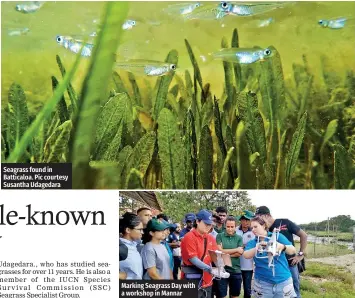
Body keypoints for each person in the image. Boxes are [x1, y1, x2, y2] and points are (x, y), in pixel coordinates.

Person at [255, 206, 308, 298]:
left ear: (267, 215)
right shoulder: (263, 229)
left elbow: (304, 235)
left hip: (290, 261)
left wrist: (300, 255)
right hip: (276, 265)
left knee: (294, 289)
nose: (258, 219)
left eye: (259, 216)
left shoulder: (284, 222)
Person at [244, 216, 297, 298]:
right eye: (251, 228)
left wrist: (282, 246)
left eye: (255, 227)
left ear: (264, 225)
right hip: (263, 283)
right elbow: (246, 255)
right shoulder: (253, 242)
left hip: (283, 280)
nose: (253, 230)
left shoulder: (277, 236)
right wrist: (257, 248)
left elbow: (293, 250)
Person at [181, 209, 218, 298]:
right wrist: (209, 269)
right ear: (197, 221)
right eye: (206, 224)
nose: (208, 227)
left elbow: (215, 256)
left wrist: (220, 265)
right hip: (192, 277)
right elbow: (193, 259)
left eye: (210, 224)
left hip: (207, 280)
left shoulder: (211, 238)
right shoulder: (189, 237)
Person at [215, 216, 244, 298]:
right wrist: (236, 249)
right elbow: (220, 251)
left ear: (235, 227)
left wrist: (224, 254)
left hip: (235, 270)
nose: (230, 229)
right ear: (225, 226)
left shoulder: (239, 238)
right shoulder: (219, 236)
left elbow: (239, 254)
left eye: (232, 227)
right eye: (228, 226)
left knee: (235, 295)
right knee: (221, 295)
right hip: (222, 269)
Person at [236, 210, 255, 298]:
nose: (246, 222)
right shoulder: (235, 230)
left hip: (248, 265)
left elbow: (255, 246)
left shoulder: (254, 232)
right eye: (244, 220)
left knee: (247, 289)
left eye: (248, 220)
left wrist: (243, 246)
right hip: (236, 265)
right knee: (235, 289)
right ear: (241, 220)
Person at [119, 212, 144, 280]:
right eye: (140, 229)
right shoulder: (120, 247)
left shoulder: (134, 245)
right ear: (128, 230)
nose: (142, 232)